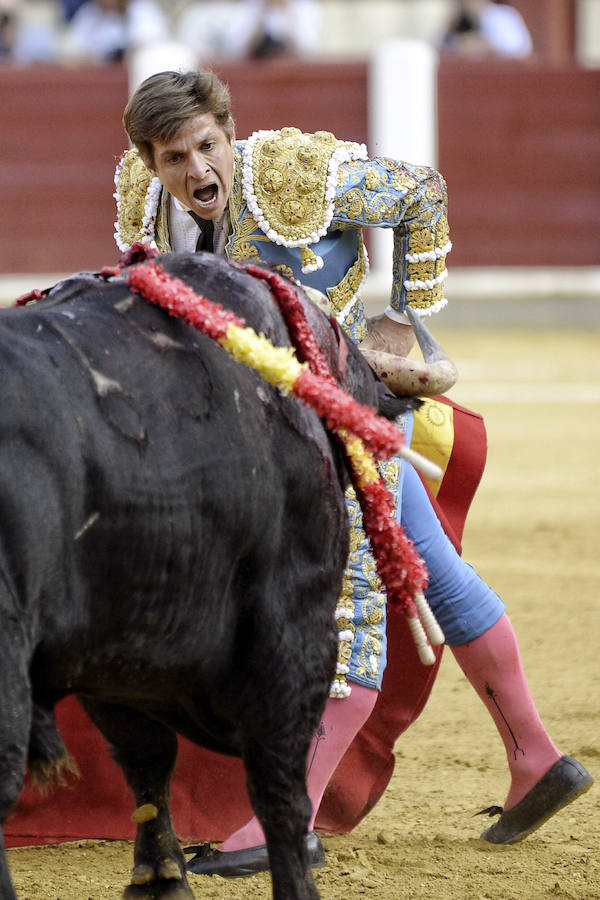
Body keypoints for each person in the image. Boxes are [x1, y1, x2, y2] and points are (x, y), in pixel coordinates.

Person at [113, 69, 593, 875]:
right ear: (148, 161)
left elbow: (420, 192)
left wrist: (402, 321)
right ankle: (537, 758)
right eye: (173, 157)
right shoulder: (142, 199)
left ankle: (285, 820)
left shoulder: (296, 173)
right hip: (267, 425)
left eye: (207, 146)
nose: (196, 170)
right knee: (434, 570)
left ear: (231, 133)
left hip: (341, 414)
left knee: (353, 611)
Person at [440, 0, 533, 59]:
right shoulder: (457, 20)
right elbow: (441, 46)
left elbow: (520, 49)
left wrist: (485, 46)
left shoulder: (502, 16)